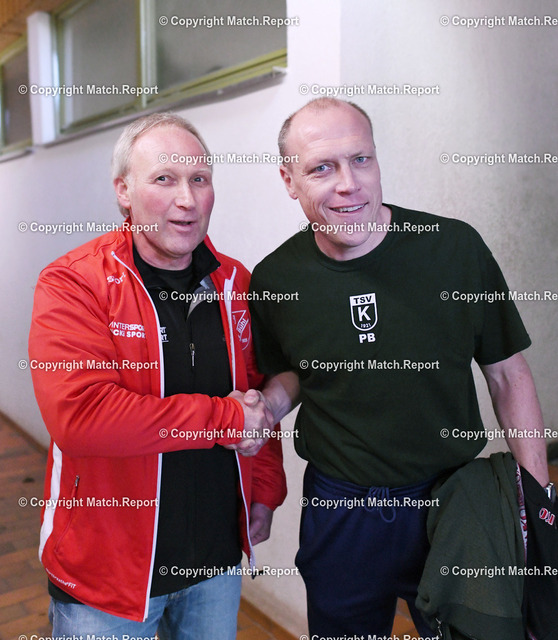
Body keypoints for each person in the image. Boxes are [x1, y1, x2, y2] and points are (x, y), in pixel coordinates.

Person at [248, 97, 550, 638]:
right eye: (322, 168)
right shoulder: (275, 280)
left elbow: (508, 374)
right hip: (341, 510)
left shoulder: (453, 249)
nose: (348, 184)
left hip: (452, 503)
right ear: (289, 181)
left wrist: (536, 501)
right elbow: (295, 371)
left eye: (360, 159)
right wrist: (269, 404)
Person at [28, 112, 286, 640]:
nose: (187, 199)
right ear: (124, 191)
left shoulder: (236, 282)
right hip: (106, 578)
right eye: (164, 179)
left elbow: (258, 396)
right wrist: (224, 418)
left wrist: (264, 488)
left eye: (199, 179)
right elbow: (83, 418)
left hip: (214, 561)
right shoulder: (74, 283)